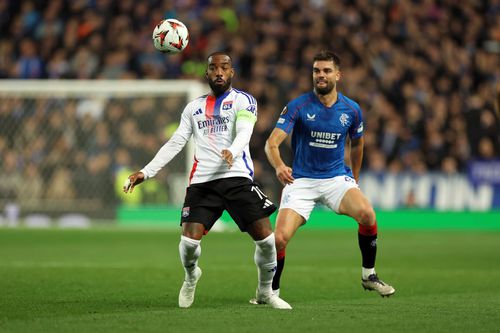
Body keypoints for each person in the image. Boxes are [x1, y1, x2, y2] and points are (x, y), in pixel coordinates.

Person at [123, 51, 291, 309]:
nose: (219, 72)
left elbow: (245, 131)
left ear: (232, 72)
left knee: (267, 241)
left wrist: (232, 152)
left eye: (224, 68)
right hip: (202, 183)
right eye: (214, 68)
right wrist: (146, 172)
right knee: (188, 243)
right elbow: (177, 141)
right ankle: (191, 276)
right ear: (207, 73)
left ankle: (265, 292)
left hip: (237, 178)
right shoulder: (193, 108)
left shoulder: (244, 100)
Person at [261, 50, 395, 301]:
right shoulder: (298, 105)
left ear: (338, 75)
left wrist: (353, 178)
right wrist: (279, 165)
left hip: (335, 179)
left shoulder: (352, 110)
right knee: (278, 239)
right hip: (301, 180)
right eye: (316, 71)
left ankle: (369, 275)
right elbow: (272, 143)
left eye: (326, 71)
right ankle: (271, 291)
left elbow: (358, 144)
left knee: (367, 214)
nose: (320, 75)